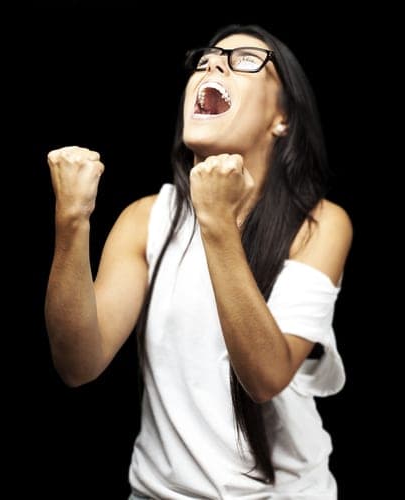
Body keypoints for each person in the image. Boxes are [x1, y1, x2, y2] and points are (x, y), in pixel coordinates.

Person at [45, 23, 352, 499]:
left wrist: (217, 224)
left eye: (245, 60)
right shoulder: (146, 219)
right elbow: (77, 363)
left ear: (282, 119)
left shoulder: (319, 226)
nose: (212, 64)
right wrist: (71, 223)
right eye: (207, 59)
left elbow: (267, 378)